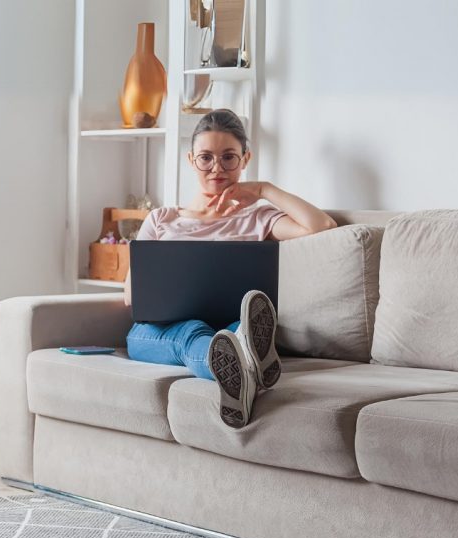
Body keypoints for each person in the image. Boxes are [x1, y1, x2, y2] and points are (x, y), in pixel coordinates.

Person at [124, 109, 337, 429]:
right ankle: (242, 363)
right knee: (192, 331)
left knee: (238, 327)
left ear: (245, 159)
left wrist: (264, 189)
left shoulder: (258, 217)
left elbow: (321, 226)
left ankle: (240, 360)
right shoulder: (162, 219)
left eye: (229, 157)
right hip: (162, 330)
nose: (217, 168)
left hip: (232, 323)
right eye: (206, 158)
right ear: (190, 159)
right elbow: (131, 295)